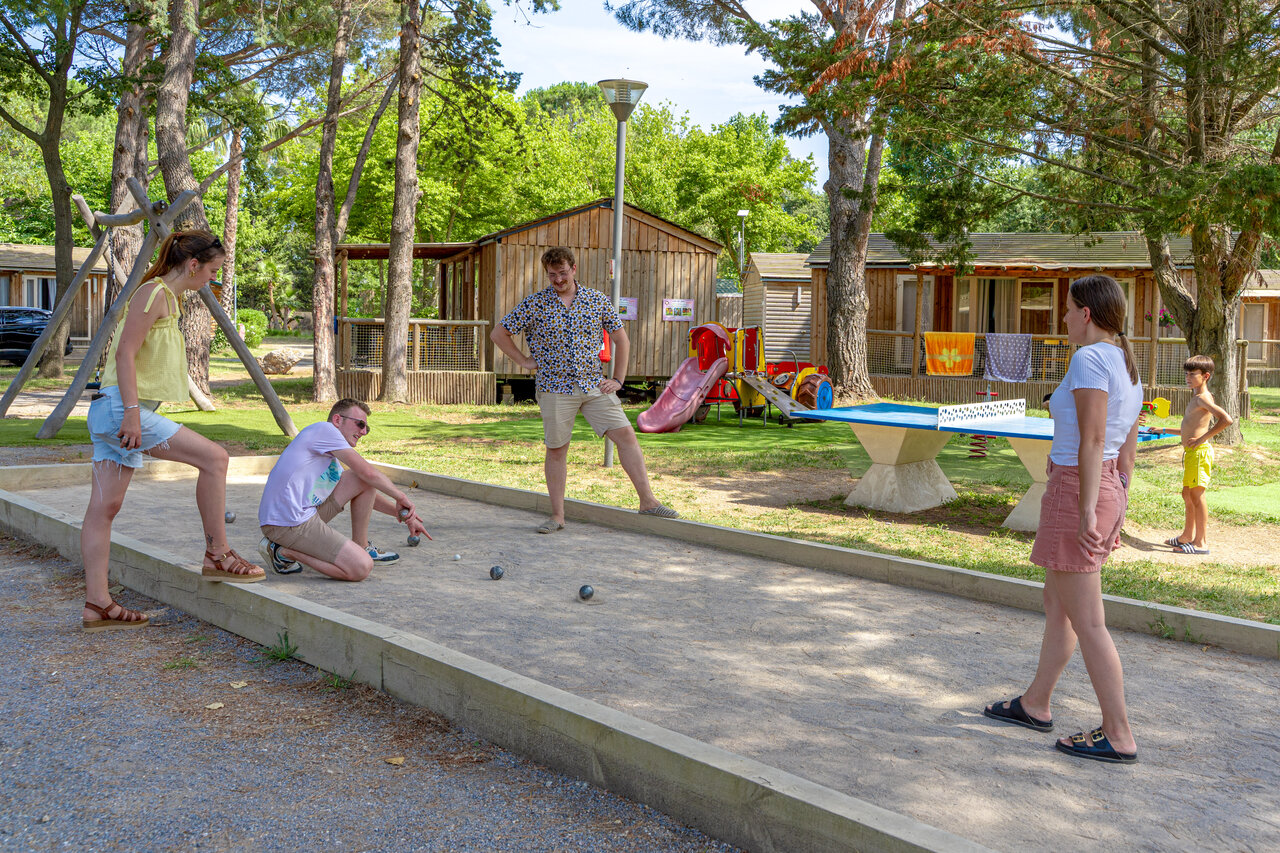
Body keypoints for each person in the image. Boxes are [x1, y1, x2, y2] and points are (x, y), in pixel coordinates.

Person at [983, 274, 1143, 764]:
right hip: (1099, 487)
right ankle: (1036, 703)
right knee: (1060, 604)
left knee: (1089, 620)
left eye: (1070, 309)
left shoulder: (1091, 358)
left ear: (1087, 314)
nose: (1065, 317)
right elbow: (1126, 448)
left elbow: (1095, 442)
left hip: (1080, 489)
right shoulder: (1125, 361)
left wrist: (1089, 510)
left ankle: (1118, 734)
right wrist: (1119, 500)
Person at [82, 230, 265, 632]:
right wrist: (131, 413)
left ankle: (97, 604)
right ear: (194, 264)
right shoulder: (154, 293)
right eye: (213, 272)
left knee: (104, 509)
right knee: (215, 459)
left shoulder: (170, 297)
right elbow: (126, 352)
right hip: (121, 410)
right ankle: (218, 554)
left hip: (116, 412)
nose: (213, 281)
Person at [490, 246, 678, 533]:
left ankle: (648, 503)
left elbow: (621, 340)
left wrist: (618, 379)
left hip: (594, 385)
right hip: (554, 388)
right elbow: (498, 333)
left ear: (574, 269)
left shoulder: (595, 300)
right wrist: (525, 361)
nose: (558, 280)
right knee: (557, 450)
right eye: (552, 275)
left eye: (563, 273)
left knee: (626, 436)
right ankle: (557, 517)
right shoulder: (535, 303)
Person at [257, 399, 429, 581]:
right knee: (361, 568)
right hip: (286, 525)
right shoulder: (325, 429)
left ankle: (361, 546)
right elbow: (369, 472)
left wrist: (403, 514)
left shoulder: (331, 458)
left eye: (366, 428)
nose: (363, 432)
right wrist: (401, 497)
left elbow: (364, 485)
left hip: (302, 517)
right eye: (360, 424)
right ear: (338, 420)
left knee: (360, 478)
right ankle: (284, 551)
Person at [1151, 355, 1233, 555]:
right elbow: (1188, 430)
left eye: (1192, 374)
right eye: (1186, 374)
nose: (1187, 377)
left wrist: (1202, 439)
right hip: (1191, 453)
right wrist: (1163, 429)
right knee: (1187, 494)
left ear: (1205, 376)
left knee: (1196, 494)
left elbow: (1226, 419)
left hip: (1199, 453)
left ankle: (1200, 543)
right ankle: (1186, 537)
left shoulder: (1203, 398)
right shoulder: (1197, 398)